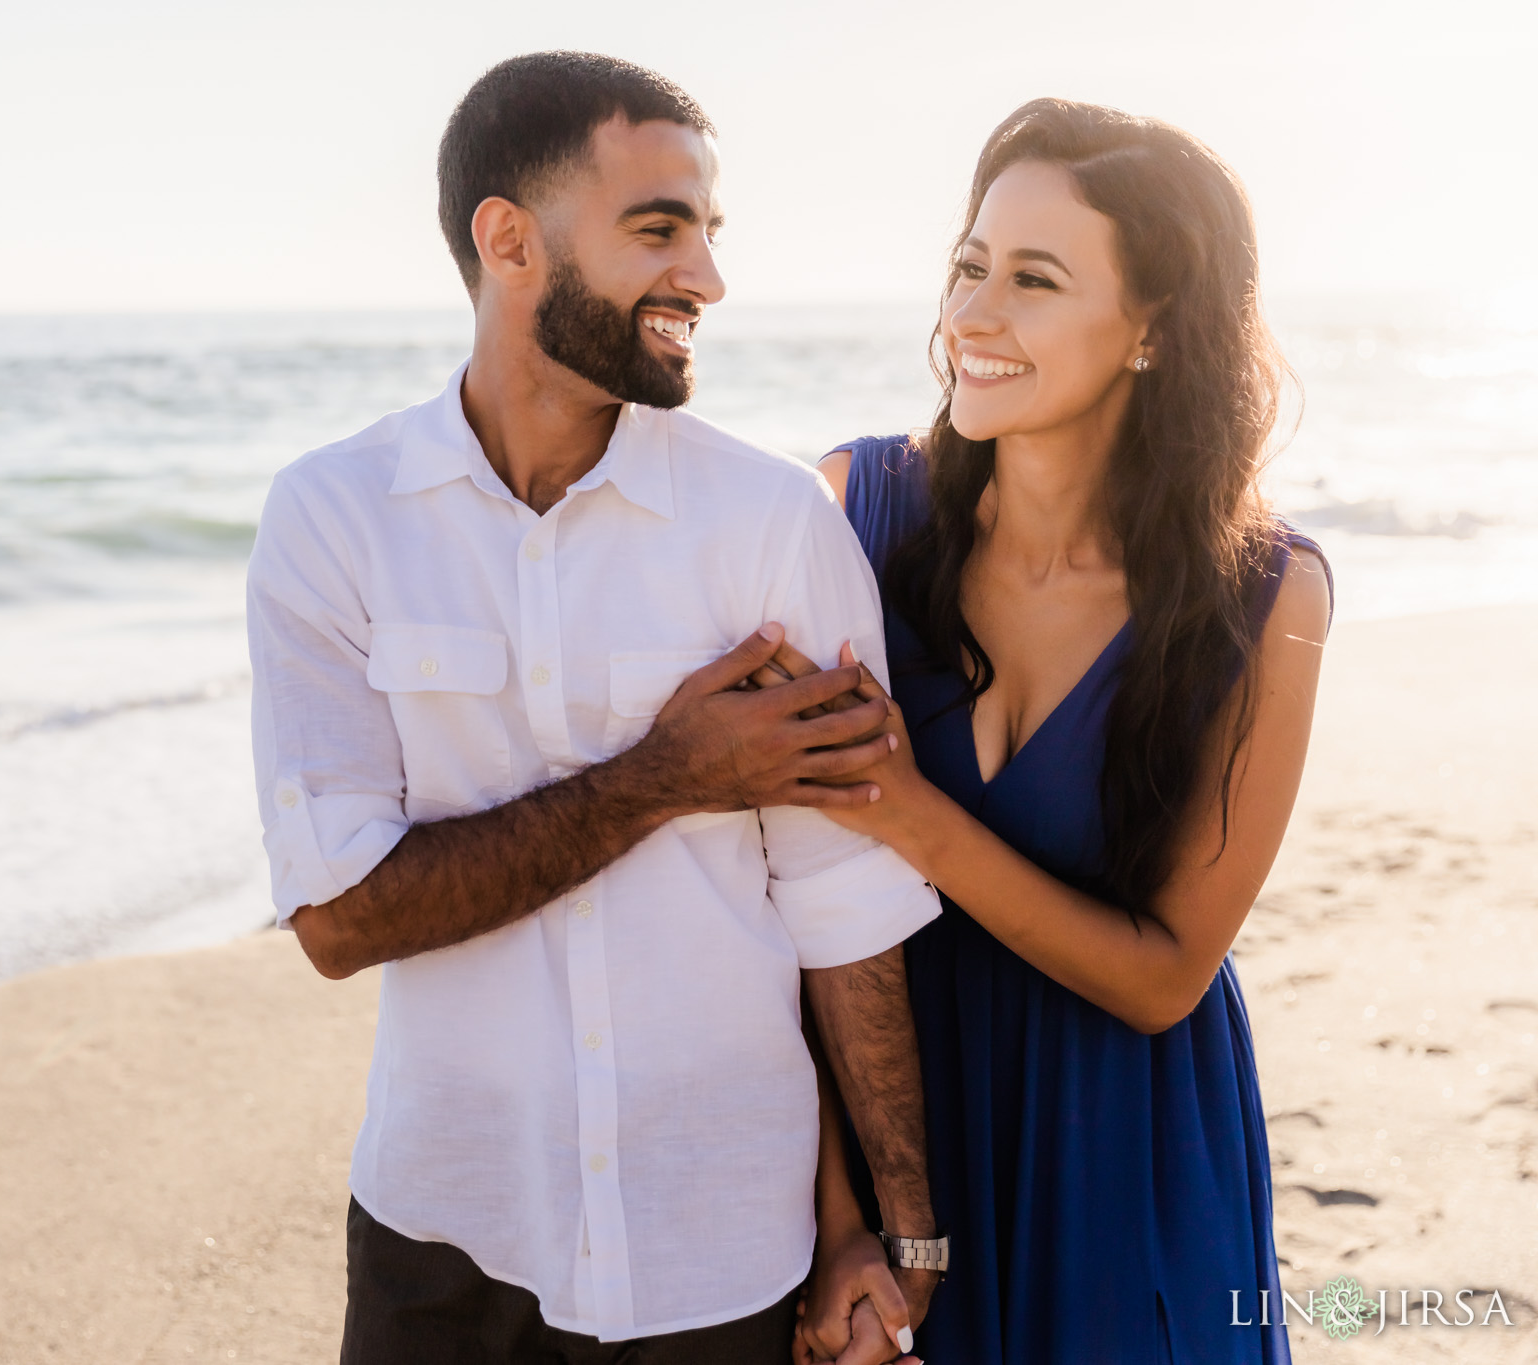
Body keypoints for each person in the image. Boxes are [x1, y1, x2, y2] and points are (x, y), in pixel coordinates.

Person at [246, 51, 944, 1365]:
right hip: (442, 1233)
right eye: (658, 229)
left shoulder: (771, 524)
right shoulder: (332, 522)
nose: (709, 278)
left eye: (711, 232)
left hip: (724, 1243)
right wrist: (664, 776)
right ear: (510, 241)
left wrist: (897, 1236)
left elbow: (845, 912)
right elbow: (340, 920)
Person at [774, 99, 1331, 1363]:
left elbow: (1160, 977)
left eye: (1031, 279)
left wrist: (909, 813)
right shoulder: (849, 509)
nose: (971, 316)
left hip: (1116, 1150)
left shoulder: (1263, 595)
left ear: (1151, 326)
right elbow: (762, 906)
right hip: (889, 1127)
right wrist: (836, 1219)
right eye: (969, 265)